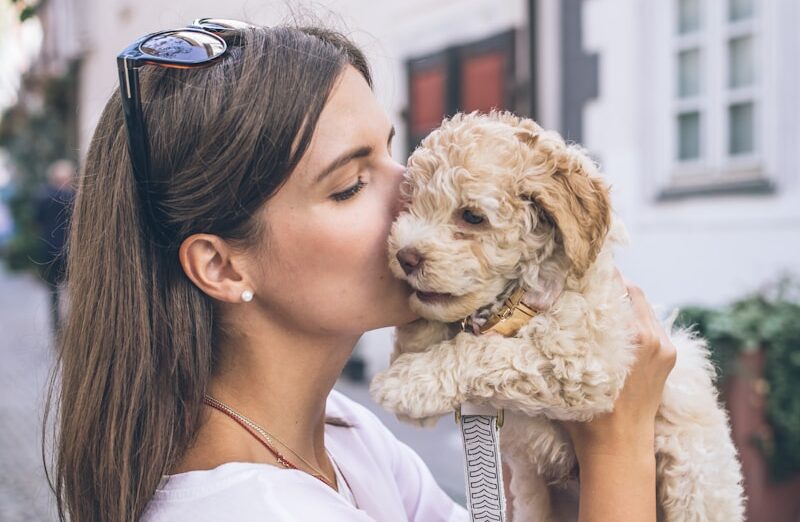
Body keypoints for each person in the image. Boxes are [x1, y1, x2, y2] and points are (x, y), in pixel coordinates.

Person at [45, 21, 676, 522]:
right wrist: (617, 443)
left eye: (392, 151)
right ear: (220, 264)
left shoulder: (346, 436)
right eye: (350, 184)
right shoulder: (253, 510)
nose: (412, 193)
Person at [34, 158, 75, 336]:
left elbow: (37, 220)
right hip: (70, 250)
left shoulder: (43, 196)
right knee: (73, 289)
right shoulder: (72, 197)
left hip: (49, 248)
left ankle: (56, 326)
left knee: (53, 291)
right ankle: (73, 324)